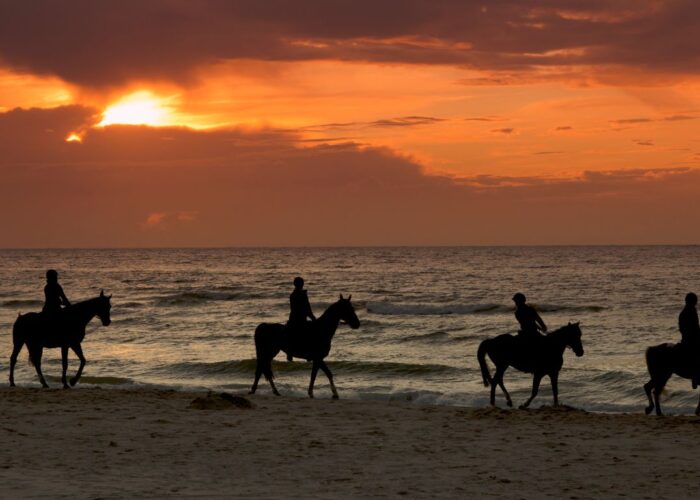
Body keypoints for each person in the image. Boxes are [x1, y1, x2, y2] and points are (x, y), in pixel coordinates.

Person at [285, 277, 316, 361]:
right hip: (300, 319)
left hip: (294, 319)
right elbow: (307, 309)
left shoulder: (293, 295)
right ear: (302, 284)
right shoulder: (302, 295)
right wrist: (313, 318)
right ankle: (309, 353)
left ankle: (290, 353)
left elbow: (297, 309)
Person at [678, 292, 700, 386]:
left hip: (686, 338)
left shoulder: (684, 312)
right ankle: (695, 378)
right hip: (690, 340)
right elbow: (695, 328)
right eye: (695, 301)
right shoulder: (691, 311)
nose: (696, 303)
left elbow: (681, 328)